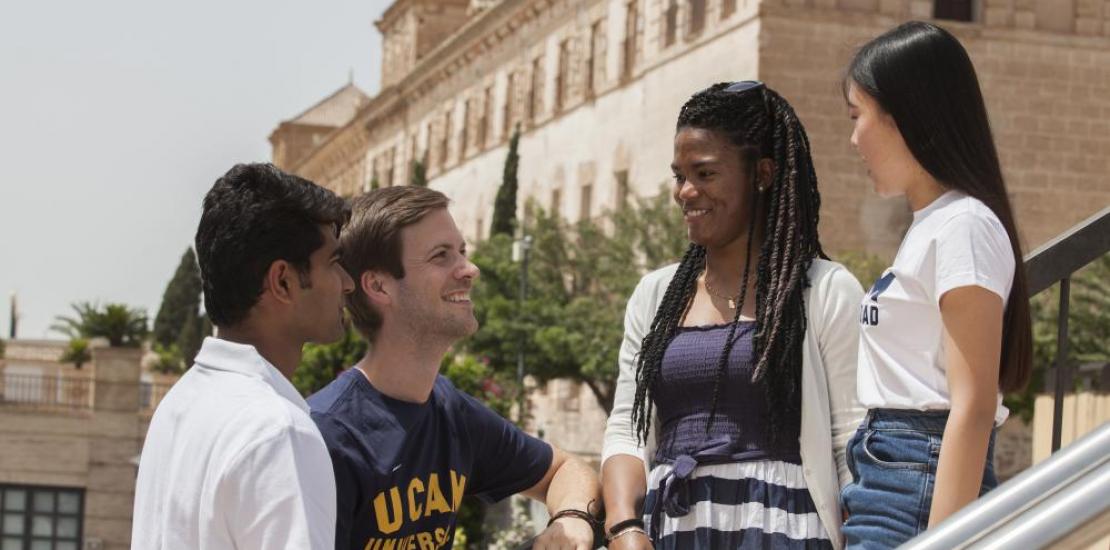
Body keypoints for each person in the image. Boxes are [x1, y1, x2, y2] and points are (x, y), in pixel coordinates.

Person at [601, 81, 865, 549]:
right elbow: (627, 428)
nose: (686, 191)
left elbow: (851, 442)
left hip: (785, 533)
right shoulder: (655, 296)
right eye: (679, 175)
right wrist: (623, 526)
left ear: (762, 173)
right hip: (672, 533)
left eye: (705, 173)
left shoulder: (824, 290)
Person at [308, 186, 601, 550]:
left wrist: (571, 520)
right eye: (441, 256)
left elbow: (566, 469)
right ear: (379, 286)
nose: (470, 270)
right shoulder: (327, 436)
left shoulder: (450, 411)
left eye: (462, 252)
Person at [840, 21, 1034, 549]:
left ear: (904, 114)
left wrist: (944, 540)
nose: (853, 140)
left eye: (857, 117)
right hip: (890, 471)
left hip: (917, 476)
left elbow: (972, 406)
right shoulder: (934, 226)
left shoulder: (963, 227)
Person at [132, 163, 355, 549]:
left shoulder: (179, 405)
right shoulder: (278, 432)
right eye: (334, 264)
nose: (348, 283)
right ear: (283, 281)